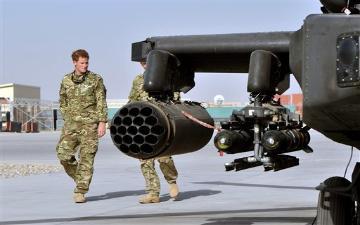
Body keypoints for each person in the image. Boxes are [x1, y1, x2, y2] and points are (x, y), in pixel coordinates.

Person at [56, 49, 108, 203]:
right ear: (74, 63)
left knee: (87, 158)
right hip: (71, 125)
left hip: (90, 125)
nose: (85, 65)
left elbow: (101, 102)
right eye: (82, 63)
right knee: (63, 155)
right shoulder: (66, 80)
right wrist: (67, 117)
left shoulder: (95, 79)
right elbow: (62, 101)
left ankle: (80, 191)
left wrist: (102, 122)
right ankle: (80, 178)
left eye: (87, 62)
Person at [128, 60, 180, 204]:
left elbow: (175, 101)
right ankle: (153, 193)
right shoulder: (138, 80)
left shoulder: (166, 79)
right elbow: (132, 101)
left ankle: (172, 181)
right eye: (143, 62)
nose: (146, 64)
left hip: (162, 125)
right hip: (143, 126)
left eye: (149, 61)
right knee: (145, 160)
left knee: (164, 158)